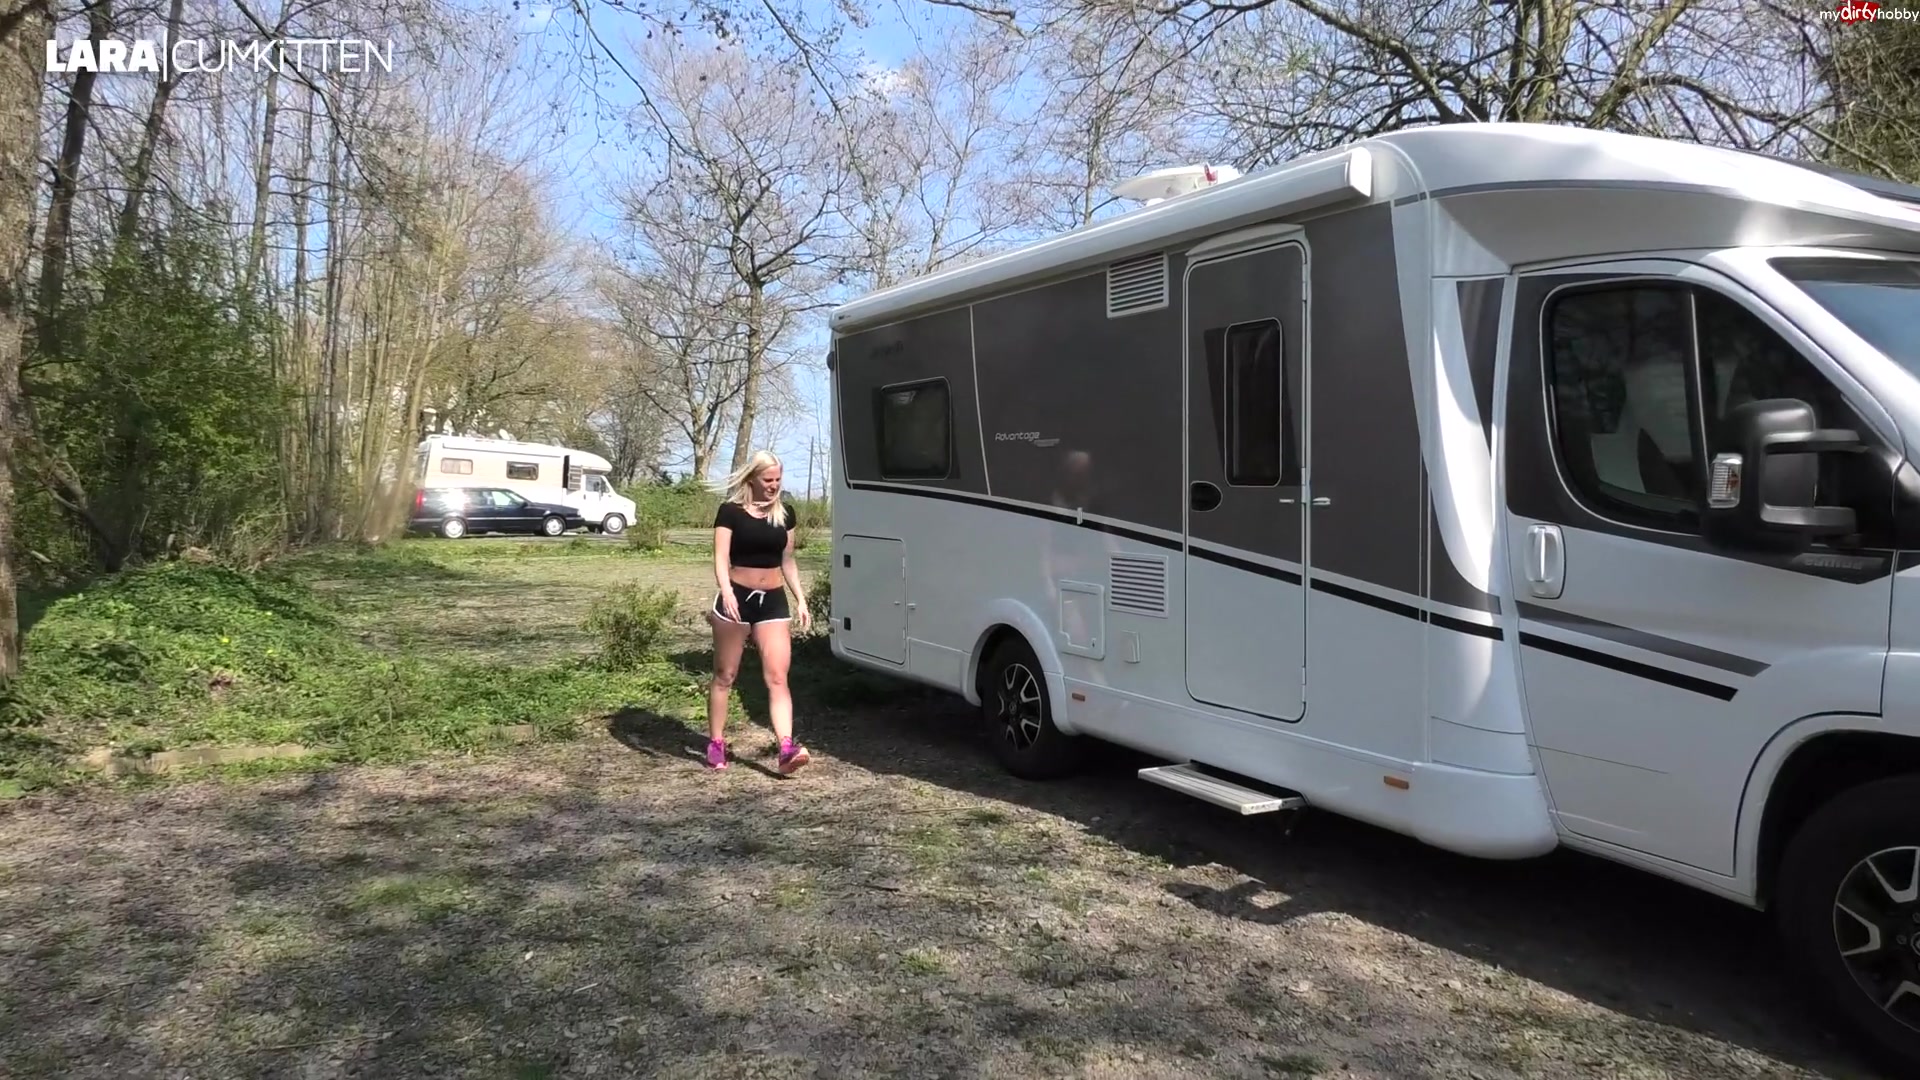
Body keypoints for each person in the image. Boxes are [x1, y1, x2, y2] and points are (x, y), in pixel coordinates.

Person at [705, 449, 813, 774]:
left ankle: (786, 748)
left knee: (778, 676)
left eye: (778, 479)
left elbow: (788, 560)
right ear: (752, 478)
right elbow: (720, 557)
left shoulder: (785, 514)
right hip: (736, 599)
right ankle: (716, 742)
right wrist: (726, 591)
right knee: (725, 675)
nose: (774, 485)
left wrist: (801, 598)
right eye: (768, 479)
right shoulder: (730, 512)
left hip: (773, 601)